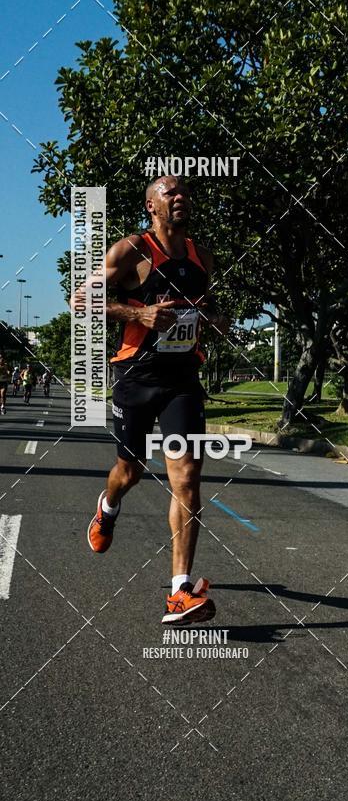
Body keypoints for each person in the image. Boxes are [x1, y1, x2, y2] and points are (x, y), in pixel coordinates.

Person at [78, 175, 229, 625]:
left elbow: (211, 307)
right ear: (151, 205)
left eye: (184, 192)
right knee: (131, 471)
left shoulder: (203, 257)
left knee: (186, 477)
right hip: (136, 376)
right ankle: (107, 508)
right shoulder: (132, 251)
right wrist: (137, 312)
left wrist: (216, 320)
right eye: (170, 192)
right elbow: (82, 298)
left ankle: (180, 591)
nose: (180, 197)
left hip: (182, 379)